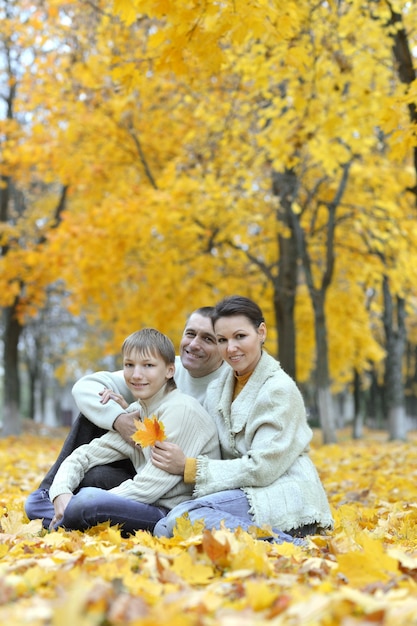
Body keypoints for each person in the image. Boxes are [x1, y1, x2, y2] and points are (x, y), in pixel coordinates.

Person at [25, 307, 228, 527]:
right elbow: (85, 454)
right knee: (38, 504)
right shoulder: (142, 410)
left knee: (86, 501)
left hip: (171, 512)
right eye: (129, 365)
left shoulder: (184, 410)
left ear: (170, 371)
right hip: (144, 498)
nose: (136, 374)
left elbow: (147, 488)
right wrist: (61, 492)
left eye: (148, 366)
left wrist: (85, 504)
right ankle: (63, 510)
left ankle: (70, 516)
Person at [152, 295, 334, 539]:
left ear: (261, 332)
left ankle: (289, 547)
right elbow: (203, 435)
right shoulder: (218, 388)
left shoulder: (278, 390)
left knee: (180, 520)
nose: (231, 348)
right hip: (240, 493)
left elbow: (262, 468)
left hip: (285, 499)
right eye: (221, 340)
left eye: (240, 336)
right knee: (168, 525)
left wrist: (189, 467)